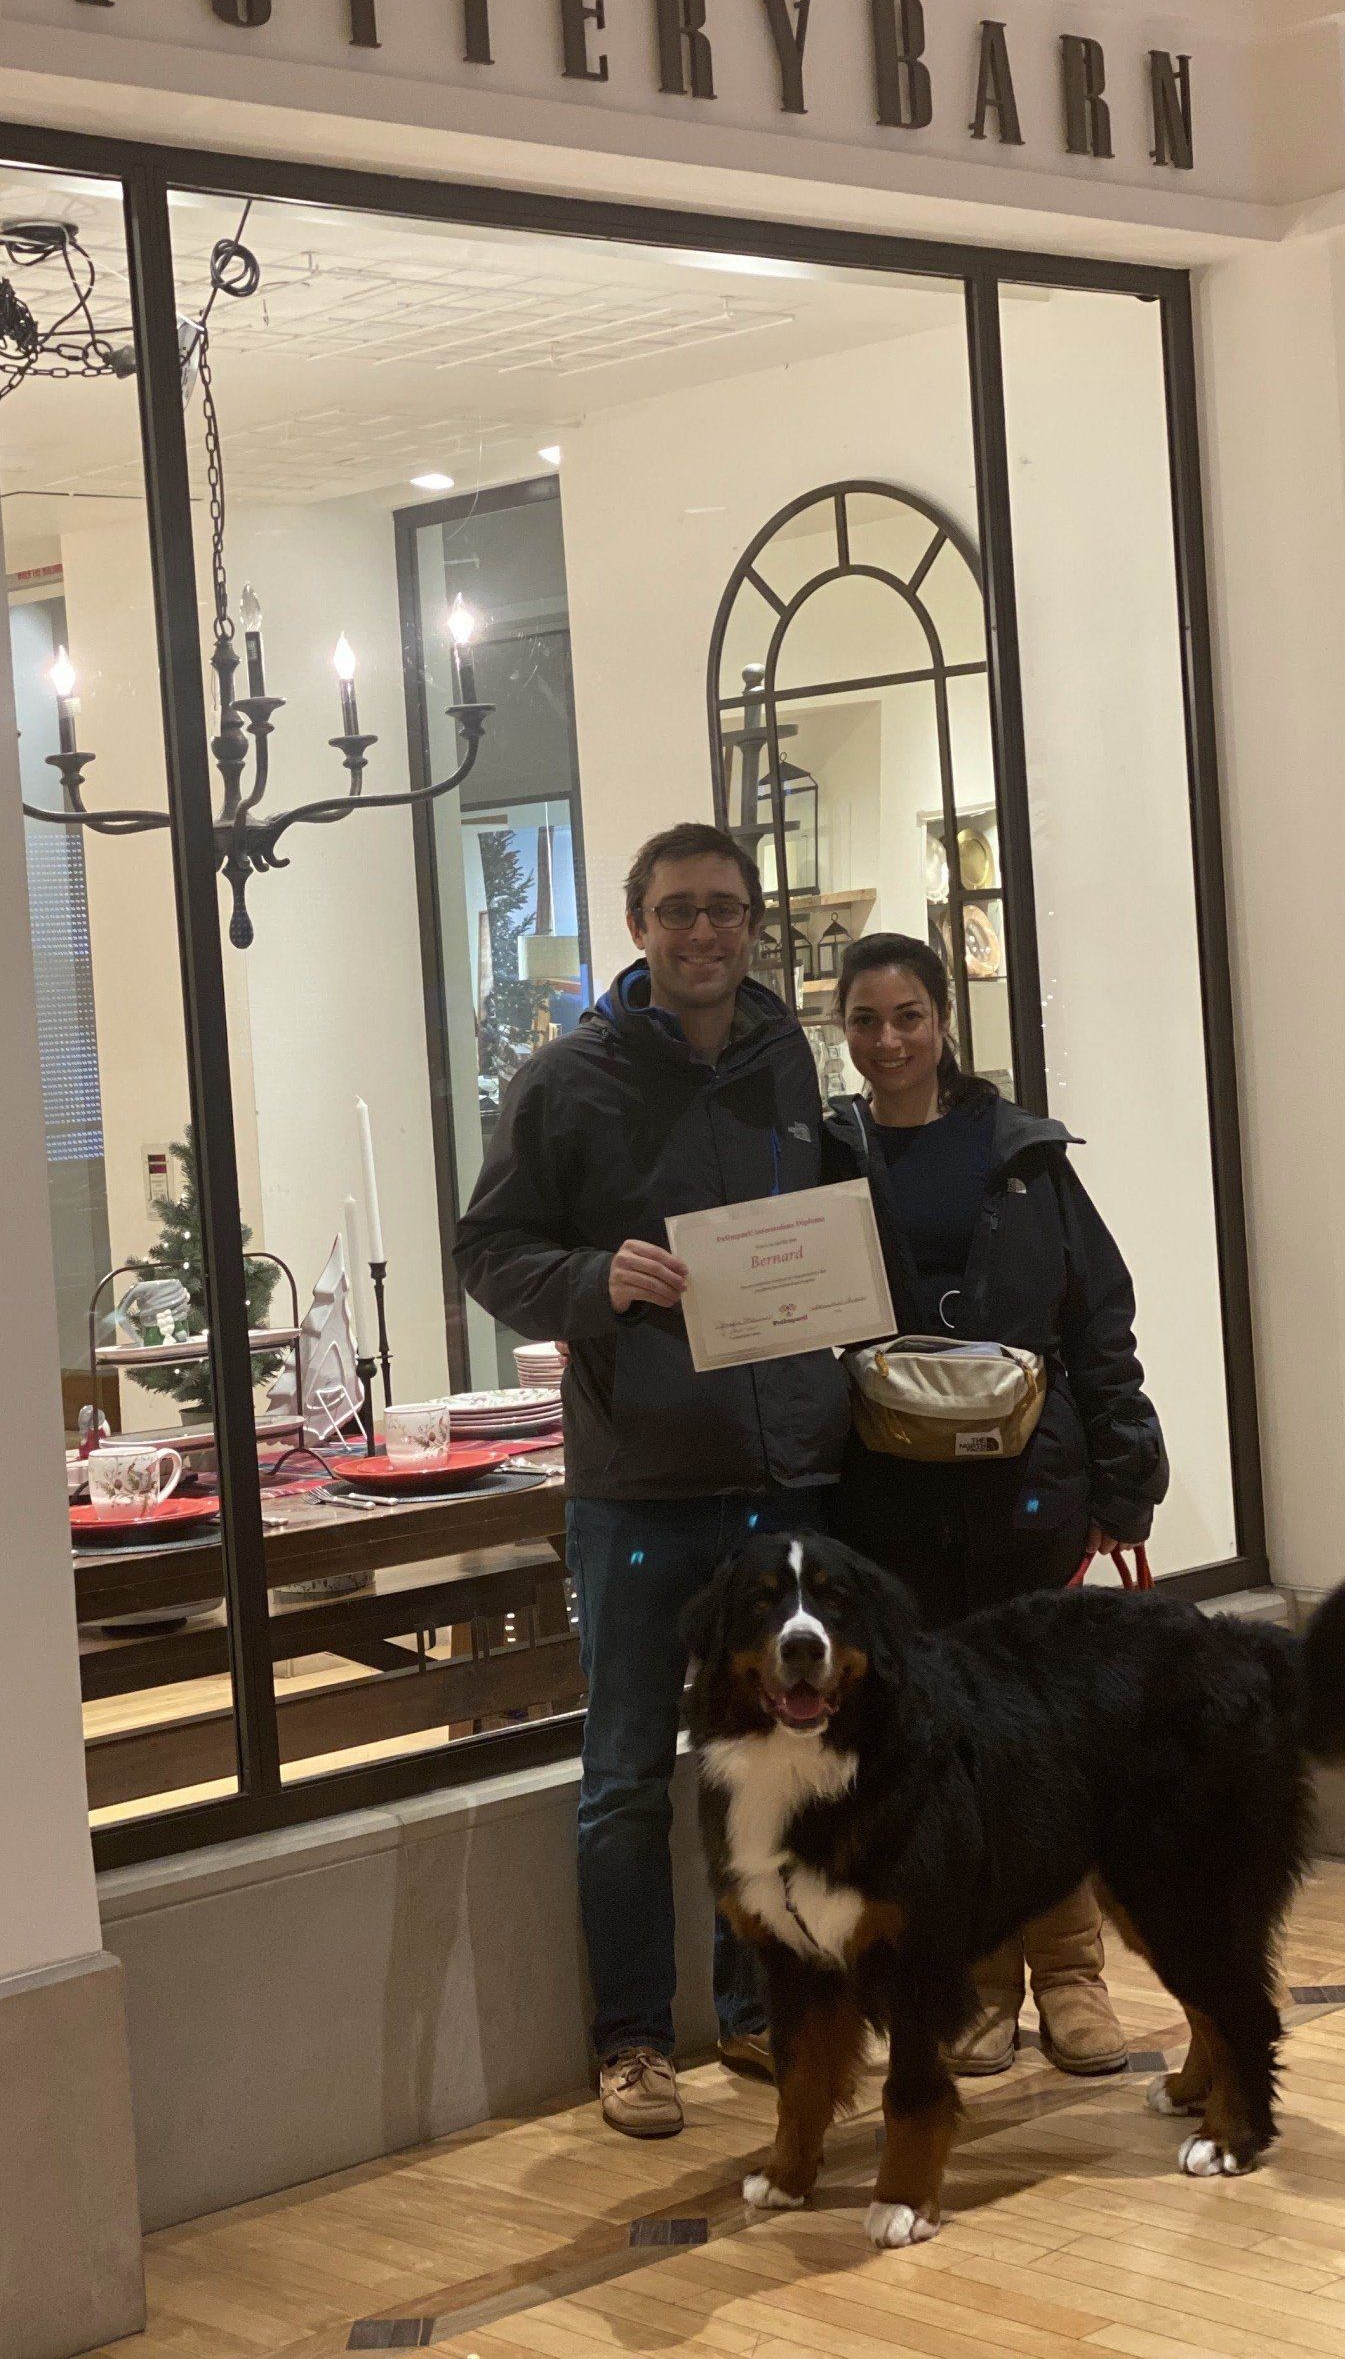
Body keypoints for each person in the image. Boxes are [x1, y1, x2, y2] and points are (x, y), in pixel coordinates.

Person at [453, 823, 848, 2139]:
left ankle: (752, 2009)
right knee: (625, 1773)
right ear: (638, 926)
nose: (705, 933)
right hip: (634, 1488)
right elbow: (489, 1246)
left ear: (752, 923)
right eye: (679, 911)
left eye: (726, 911)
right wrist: (591, 1283)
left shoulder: (788, 1061)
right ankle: (630, 2042)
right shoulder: (566, 1080)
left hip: (775, 1484)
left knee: (762, 1767)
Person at [823, 929, 1167, 2079]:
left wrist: (1128, 1480)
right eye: (866, 1020)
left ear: (942, 1018)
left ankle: (1071, 1978)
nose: (889, 1041)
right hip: (889, 1504)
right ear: (843, 1030)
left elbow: (1098, 1324)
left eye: (908, 1015)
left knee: (1050, 1741)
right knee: (929, 1756)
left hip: (1029, 1493)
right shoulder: (826, 1157)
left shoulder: (1022, 1152)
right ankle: (971, 1985)